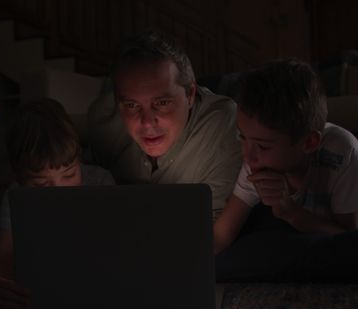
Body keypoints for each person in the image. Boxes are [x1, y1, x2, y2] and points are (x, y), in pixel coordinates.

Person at [213, 59, 358, 255]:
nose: (248, 156)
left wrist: (290, 213)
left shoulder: (341, 151)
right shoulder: (256, 159)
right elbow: (221, 236)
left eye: (263, 146)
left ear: (309, 143)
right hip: (324, 206)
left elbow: (348, 237)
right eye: (243, 137)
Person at [86, 30, 242, 218]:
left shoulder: (221, 125)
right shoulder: (103, 119)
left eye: (162, 103)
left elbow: (211, 230)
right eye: (132, 105)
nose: (147, 123)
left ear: (190, 94)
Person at [0, 98, 114, 309]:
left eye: (69, 175)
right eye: (42, 184)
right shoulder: (16, 196)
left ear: (78, 160)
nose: (58, 190)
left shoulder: (100, 182)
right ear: (21, 179)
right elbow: (3, 258)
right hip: (11, 234)